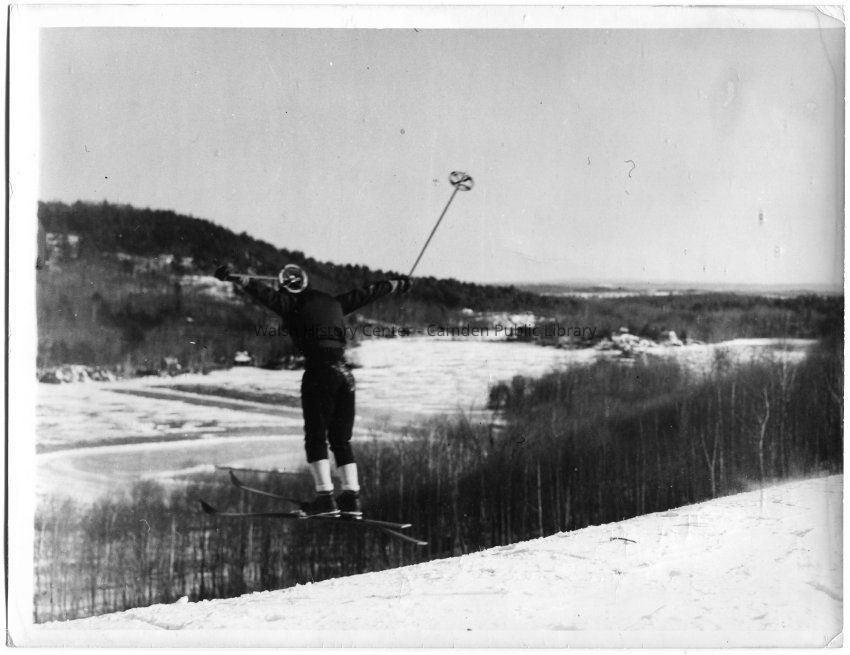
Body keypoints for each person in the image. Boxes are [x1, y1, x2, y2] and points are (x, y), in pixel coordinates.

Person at [215, 263, 412, 518]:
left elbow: (263, 293)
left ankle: (325, 498)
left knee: (316, 437)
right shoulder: (335, 303)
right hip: (345, 374)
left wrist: (237, 278)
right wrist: (395, 285)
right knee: (341, 439)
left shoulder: (291, 303)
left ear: (287, 289)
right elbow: (366, 293)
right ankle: (351, 497)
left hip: (320, 372)